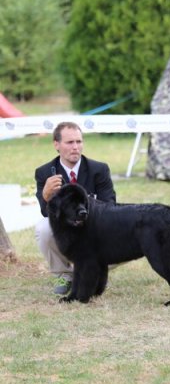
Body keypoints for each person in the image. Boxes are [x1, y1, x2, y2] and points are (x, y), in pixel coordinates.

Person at [35, 122, 116, 295]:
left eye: (79, 142)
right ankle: (63, 274)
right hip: (66, 230)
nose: (75, 147)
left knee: (119, 232)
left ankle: (94, 271)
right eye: (69, 142)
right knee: (43, 229)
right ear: (56, 144)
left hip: (94, 228)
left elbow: (109, 206)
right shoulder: (44, 173)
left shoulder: (99, 169)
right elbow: (45, 212)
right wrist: (46, 195)